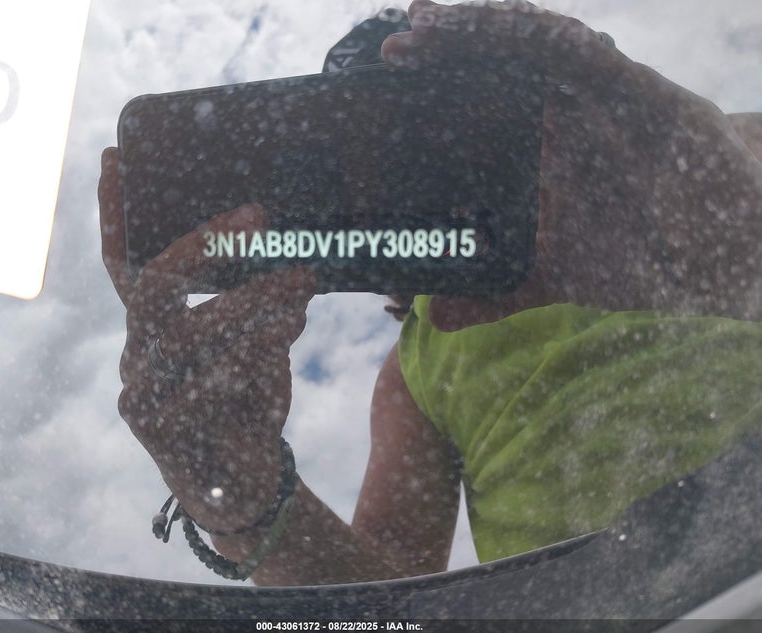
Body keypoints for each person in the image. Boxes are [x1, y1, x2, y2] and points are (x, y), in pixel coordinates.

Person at [99, 0, 762, 586]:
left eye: (439, 134)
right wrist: (254, 508)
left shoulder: (707, 158)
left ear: (531, 106)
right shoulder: (411, 372)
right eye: (372, 163)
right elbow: (394, 605)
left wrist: (739, 239)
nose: (415, 179)